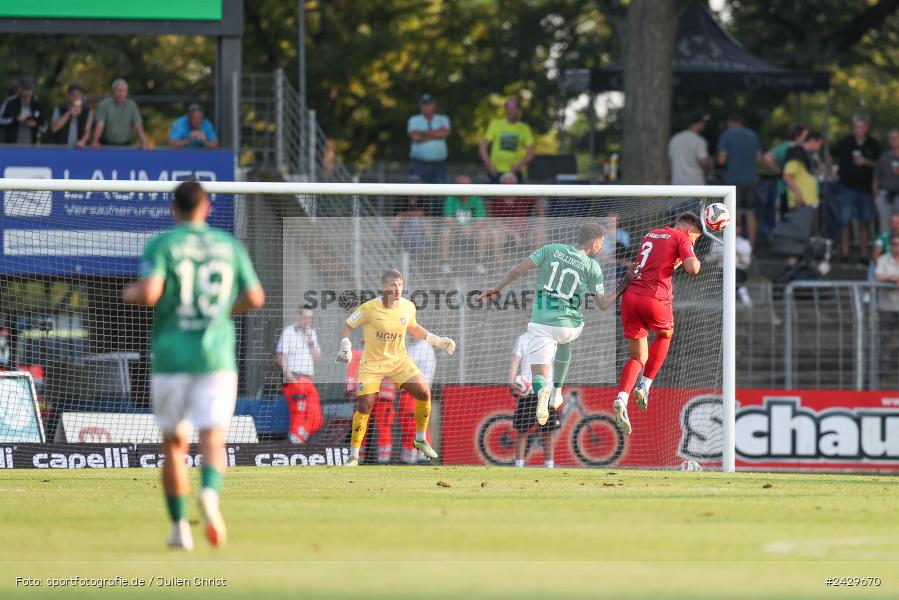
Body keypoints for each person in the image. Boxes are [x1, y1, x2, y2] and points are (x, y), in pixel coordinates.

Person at [123, 180, 265, 550]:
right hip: (216, 358)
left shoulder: (163, 244)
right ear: (207, 208)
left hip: (172, 358)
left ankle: (179, 530)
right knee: (213, 436)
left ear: (174, 209)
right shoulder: (227, 245)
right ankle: (210, 496)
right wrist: (222, 313)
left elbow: (151, 292)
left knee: (174, 444)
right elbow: (254, 296)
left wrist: (130, 292)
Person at [480, 222, 633, 426]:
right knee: (564, 341)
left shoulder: (551, 249)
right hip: (568, 324)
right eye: (602, 242)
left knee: (538, 376)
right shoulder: (592, 267)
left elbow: (517, 270)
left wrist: (497, 288)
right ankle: (556, 391)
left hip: (541, 323)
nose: (602, 246)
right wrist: (626, 282)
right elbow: (604, 304)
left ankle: (544, 390)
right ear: (593, 241)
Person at [336, 268, 455, 467]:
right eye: (393, 284)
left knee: (424, 393)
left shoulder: (408, 307)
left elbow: (414, 328)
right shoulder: (369, 308)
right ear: (384, 287)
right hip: (372, 364)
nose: (397, 288)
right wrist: (346, 345)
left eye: (400, 284)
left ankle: (420, 439)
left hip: (398, 361)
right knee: (364, 406)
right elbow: (347, 326)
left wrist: (436, 340)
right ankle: (354, 456)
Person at [613, 212, 702, 435]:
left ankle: (622, 398)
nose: (693, 243)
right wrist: (693, 257)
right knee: (665, 335)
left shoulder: (651, 234)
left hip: (631, 297)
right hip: (654, 297)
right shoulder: (681, 238)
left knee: (637, 357)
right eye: (696, 239)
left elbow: (650, 263)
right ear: (690, 231)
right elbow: (693, 268)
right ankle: (645, 384)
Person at [831, 115, 881, 263]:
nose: (857, 130)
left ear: (866, 128)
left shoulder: (873, 144)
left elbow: (879, 164)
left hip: (865, 189)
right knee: (845, 220)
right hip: (847, 187)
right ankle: (845, 253)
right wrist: (833, 173)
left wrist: (865, 162)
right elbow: (829, 155)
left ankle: (864, 255)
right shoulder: (845, 142)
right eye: (855, 127)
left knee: (864, 222)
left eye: (860, 127)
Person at [508, 329, 558, 468]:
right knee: (522, 430)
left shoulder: (551, 341)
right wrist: (511, 381)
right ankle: (519, 465)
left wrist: (557, 389)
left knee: (547, 430)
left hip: (546, 391)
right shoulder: (523, 339)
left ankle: (549, 466)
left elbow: (558, 365)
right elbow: (515, 361)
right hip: (527, 391)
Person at [276, 305, 323, 444]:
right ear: (298, 316)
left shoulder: (312, 333)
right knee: (299, 415)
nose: (307, 320)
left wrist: (310, 340)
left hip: (308, 380)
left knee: (316, 418)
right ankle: (294, 447)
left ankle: (296, 441)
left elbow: (317, 358)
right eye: (305, 317)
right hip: (295, 379)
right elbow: (280, 355)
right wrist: (290, 376)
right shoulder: (289, 332)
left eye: (310, 318)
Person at [716, 115, 762, 246]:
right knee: (750, 212)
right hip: (752, 178)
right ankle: (751, 248)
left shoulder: (727, 135)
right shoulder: (753, 135)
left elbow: (721, 160)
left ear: (730, 122)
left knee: (734, 212)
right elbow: (759, 159)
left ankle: (734, 246)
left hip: (734, 179)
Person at [489, 172, 545, 264]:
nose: (509, 186)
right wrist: (514, 233)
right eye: (506, 184)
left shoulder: (524, 196)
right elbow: (497, 222)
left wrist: (541, 222)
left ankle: (533, 265)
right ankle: (501, 266)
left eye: (511, 184)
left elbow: (540, 208)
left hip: (526, 231)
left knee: (540, 232)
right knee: (495, 233)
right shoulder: (498, 200)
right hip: (506, 233)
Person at [439, 175, 489, 275]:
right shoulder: (451, 198)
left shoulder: (476, 199)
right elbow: (447, 220)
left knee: (483, 233)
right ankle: (444, 264)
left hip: (472, 230)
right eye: (461, 185)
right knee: (445, 232)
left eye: (466, 185)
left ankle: (480, 263)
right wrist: (460, 228)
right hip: (455, 229)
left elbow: (481, 220)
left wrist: (471, 229)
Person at [479, 97, 536, 183]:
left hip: (515, 173)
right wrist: (489, 165)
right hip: (496, 172)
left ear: (518, 110)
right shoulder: (495, 125)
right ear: (505, 110)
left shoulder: (525, 128)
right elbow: (483, 146)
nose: (511, 111)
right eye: (508, 108)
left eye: (513, 108)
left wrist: (520, 164)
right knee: (495, 196)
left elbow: (531, 152)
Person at [400, 333, 437, 463]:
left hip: (416, 394)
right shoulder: (411, 347)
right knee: (411, 425)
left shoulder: (424, 347)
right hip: (409, 393)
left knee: (413, 426)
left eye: (413, 333)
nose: (411, 336)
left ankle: (417, 458)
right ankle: (413, 457)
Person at [91, 79, 149, 148]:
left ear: (126, 92)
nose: (120, 93)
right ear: (113, 92)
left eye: (123, 90)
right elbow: (100, 124)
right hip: (105, 145)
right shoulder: (104, 105)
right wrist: (95, 140)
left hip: (125, 145)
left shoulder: (132, 105)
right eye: (118, 90)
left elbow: (137, 126)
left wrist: (143, 142)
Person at [407, 93, 450, 184]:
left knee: (439, 194)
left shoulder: (443, 119)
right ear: (420, 106)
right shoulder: (413, 120)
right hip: (419, 164)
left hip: (438, 165)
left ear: (434, 105)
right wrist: (436, 133)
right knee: (417, 193)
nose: (426, 107)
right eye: (424, 104)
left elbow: (444, 133)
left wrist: (421, 132)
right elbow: (415, 137)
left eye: (429, 104)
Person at [763, 124, 808, 204]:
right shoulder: (787, 147)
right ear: (797, 136)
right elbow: (767, 157)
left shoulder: (803, 149)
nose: (806, 139)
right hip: (786, 189)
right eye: (805, 136)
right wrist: (780, 172)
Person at [782, 132, 825, 211]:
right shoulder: (796, 153)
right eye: (819, 144)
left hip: (811, 200)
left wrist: (818, 162)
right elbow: (786, 176)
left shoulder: (810, 155)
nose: (820, 147)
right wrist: (797, 193)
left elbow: (816, 173)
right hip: (801, 200)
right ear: (812, 141)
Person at [0, 75, 46, 145]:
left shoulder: (37, 105)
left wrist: (35, 125)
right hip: (12, 146)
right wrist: (15, 119)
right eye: (26, 90)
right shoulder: (10, 103)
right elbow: (1, 120)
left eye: (30, 90)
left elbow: (44, 127)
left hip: (31, 146)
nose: (28, 92)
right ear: (20, 88)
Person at [668, 113, 710, 185]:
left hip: (677, 182)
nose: (704, 125)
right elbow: (704, 162)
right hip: (694, 182)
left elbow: (669, 160)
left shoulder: (675, 138)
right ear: (698, 123)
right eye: (703, 123)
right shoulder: (699, 140)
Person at [873, 129, 899, 236]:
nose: (893, 140)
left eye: (896, 138)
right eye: (891, 138)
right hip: (884, 194)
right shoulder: (884, 156)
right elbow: (876, 176)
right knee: (884, 224)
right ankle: (885, 250)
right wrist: (875, 194)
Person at [50, 84, 92, 148]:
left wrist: (82, 141)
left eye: (79, 95)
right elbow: (54, 128)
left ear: (82, 97)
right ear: (68, 96)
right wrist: (69, 113)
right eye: (73, 95)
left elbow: (88, 131)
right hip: (61, 148)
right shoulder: (60, 109)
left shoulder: (87, 111)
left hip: (79, 149)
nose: (76, 97)